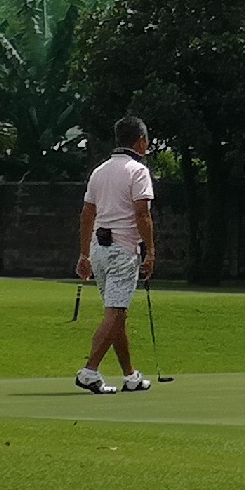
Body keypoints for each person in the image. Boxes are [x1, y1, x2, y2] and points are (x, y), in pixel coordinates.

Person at [74, 116, 156, 395]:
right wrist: (151, 251)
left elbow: (87, 214)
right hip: (123, 250)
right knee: (115, 313)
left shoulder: (99, 171)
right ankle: (89, 371)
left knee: (116, 313)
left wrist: (84, 255)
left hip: (99, 250)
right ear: (140, 141)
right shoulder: (138, 171)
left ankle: (130, 376)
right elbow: (142, 213)